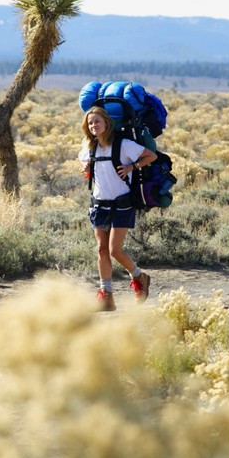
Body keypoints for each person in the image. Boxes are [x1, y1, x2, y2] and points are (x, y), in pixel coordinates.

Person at [78, 106, 157, 312]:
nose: (93, 125)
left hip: (122, 203)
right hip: (99, 203)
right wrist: (86, 169)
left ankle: (139, 276)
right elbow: (88, 170)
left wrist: (132, 167)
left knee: (114, 250)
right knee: (101, 250)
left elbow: (151, 156)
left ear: (106, 123)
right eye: (90, 123)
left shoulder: (123, 145)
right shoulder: (88, 148)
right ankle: (106, 297)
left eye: (97, 121)